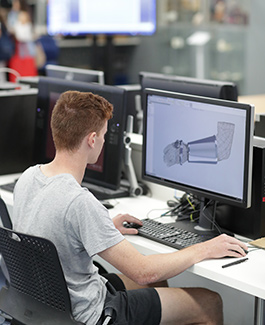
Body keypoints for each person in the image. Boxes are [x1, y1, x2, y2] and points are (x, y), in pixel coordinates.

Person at [12, 90, 248, 325]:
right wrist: (204, 249)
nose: (103, 141)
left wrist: (102, 229)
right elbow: (143, 271)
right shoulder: (79, 203)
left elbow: (52, 227)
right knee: (210, 302)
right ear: (92, 140)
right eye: (103, 135)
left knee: (155, 285)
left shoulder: (29, 177)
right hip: (89, 315)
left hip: (48, 307)